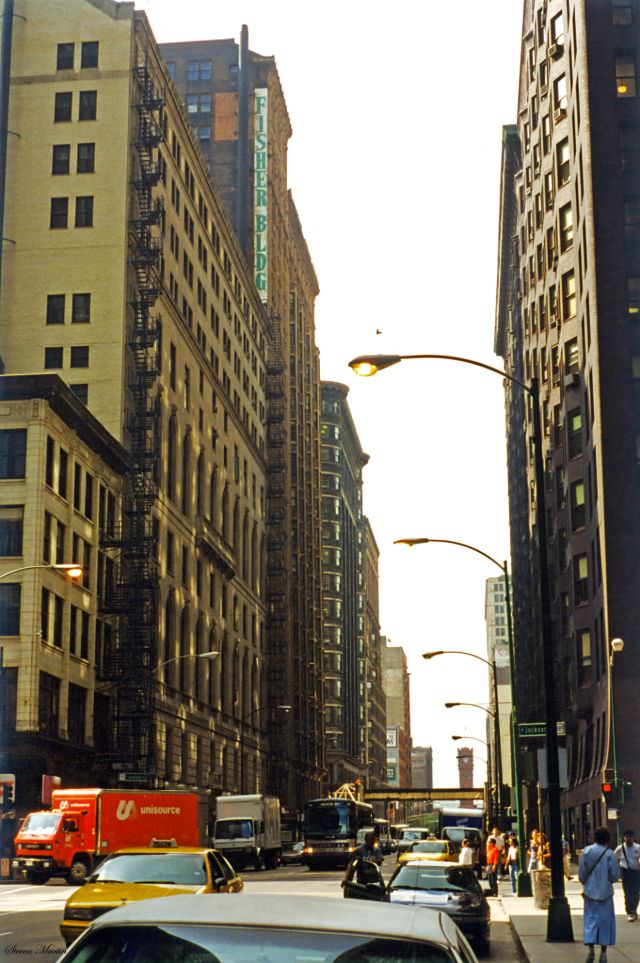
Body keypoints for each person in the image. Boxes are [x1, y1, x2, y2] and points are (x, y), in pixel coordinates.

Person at [579, 826, 620, 963]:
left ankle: (590, 949)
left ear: (594, 838)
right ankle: (603, 953)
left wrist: (586, 882)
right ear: (607, 839)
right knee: (605, 922)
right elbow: (615, 875)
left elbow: (582, 874)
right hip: (605, 893)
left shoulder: (587, 851)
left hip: (590, 892)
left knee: (590, 920)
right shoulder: (609, 854)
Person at [614, 828, 640, 922]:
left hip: (636, 872)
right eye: (626, 837)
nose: (628, 839)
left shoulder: (638, 847)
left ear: (633, 838)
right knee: (628, 893)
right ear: (623, 838)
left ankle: (634, 909)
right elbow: (614, 859)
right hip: (625, 872)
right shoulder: (620, 848)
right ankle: (629, 912)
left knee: (636, 893)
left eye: (630, 837)